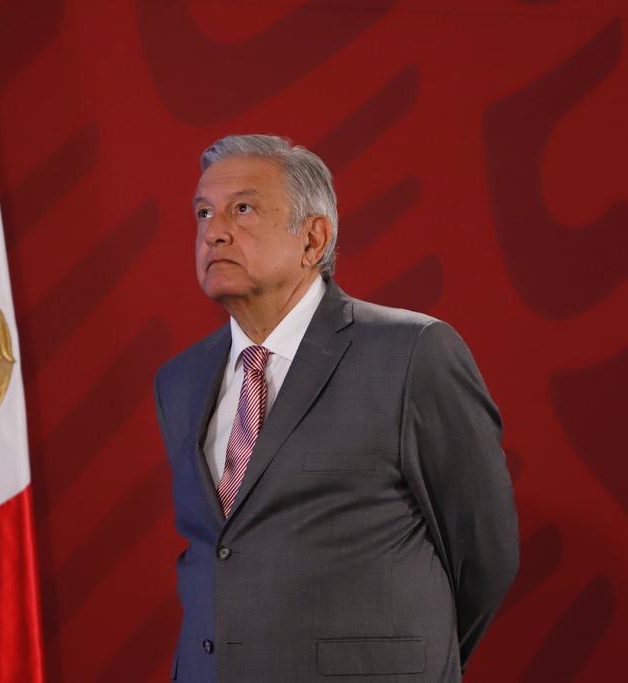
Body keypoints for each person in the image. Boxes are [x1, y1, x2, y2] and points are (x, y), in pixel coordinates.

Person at [153, 134, 519, 682]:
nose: (214, 231)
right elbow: (219, 552)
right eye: (203, 212)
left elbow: (485, 557)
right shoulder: (179, 380)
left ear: (313, 237)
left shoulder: (411, 353)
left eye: (243, 209)